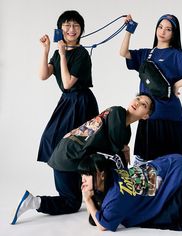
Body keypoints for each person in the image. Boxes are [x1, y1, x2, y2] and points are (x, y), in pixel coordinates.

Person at [120, 14, 182, 221]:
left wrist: (176, 85)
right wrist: (129, 29)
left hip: (172, 117)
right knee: (144, 163)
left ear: (174, 33)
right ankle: (137, 202)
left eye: (168, 28)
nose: (163, 31)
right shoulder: (147, 54)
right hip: (149, 117)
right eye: (160, 27)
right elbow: (123, 52)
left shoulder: (177, 55)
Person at [11, 10, 99, 225]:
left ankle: (90, 193)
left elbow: (68, 82)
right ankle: (58, 194)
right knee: (53, 141)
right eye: (67, 25)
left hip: (81, 102)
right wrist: (47, 50)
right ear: (61, 29)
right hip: (68, 102)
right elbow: (43, 75)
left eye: (76, 26)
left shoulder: (80, 54)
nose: (71, 29)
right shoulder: (61, 50)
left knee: (75, 145)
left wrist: (61, 54)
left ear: (81, 30)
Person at [11, 93, 154, 224]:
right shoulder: (118, 112)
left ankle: (101, 204)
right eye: (138, 98)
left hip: (76, 157)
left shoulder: (125, 131)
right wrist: (124, 150)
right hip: (68, 157)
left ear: (146, 116)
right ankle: (33, 202)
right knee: (71, 202)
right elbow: (113, 155)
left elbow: (112, 152)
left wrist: (124, 149)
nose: (138, 102)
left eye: (144, 104)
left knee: (93, 185)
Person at [79, 152, 182, 231]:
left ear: (102, 175)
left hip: (181, 173)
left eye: (87, 175)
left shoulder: (116, 195)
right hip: (169, 164)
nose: (83, 180)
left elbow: (103, 226)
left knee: (173, 214)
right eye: (82, 175)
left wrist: (88, 199)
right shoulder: (112, 174)